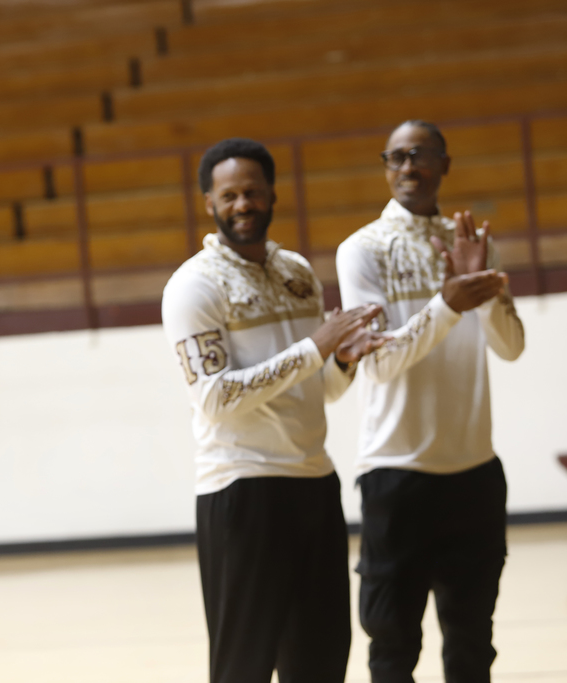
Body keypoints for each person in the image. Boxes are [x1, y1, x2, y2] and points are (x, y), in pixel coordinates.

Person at [161, 137, 385, 683]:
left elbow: (321, 390)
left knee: (322, 659)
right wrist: (315, 348)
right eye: (229, 195)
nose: (242, 205)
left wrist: (344, 360)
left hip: (313, 481)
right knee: (245, 665)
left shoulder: (298, 273)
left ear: (272, 195)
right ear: (209, 203)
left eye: (253, 192)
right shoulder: (193, 285)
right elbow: (214, 400)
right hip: (241, 490)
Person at [336, 120, 525, 683]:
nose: (407, 168)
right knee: (393, 646)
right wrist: (447, 304)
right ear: (385, 167)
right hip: (397, 475)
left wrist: (484, 294)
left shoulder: (470, 240)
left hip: (475, 473)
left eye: (419, 156)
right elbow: (381, 361)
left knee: (472, 645)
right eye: (394, 158)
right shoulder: (361, 249)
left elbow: (511, 348)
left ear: (446, 164)